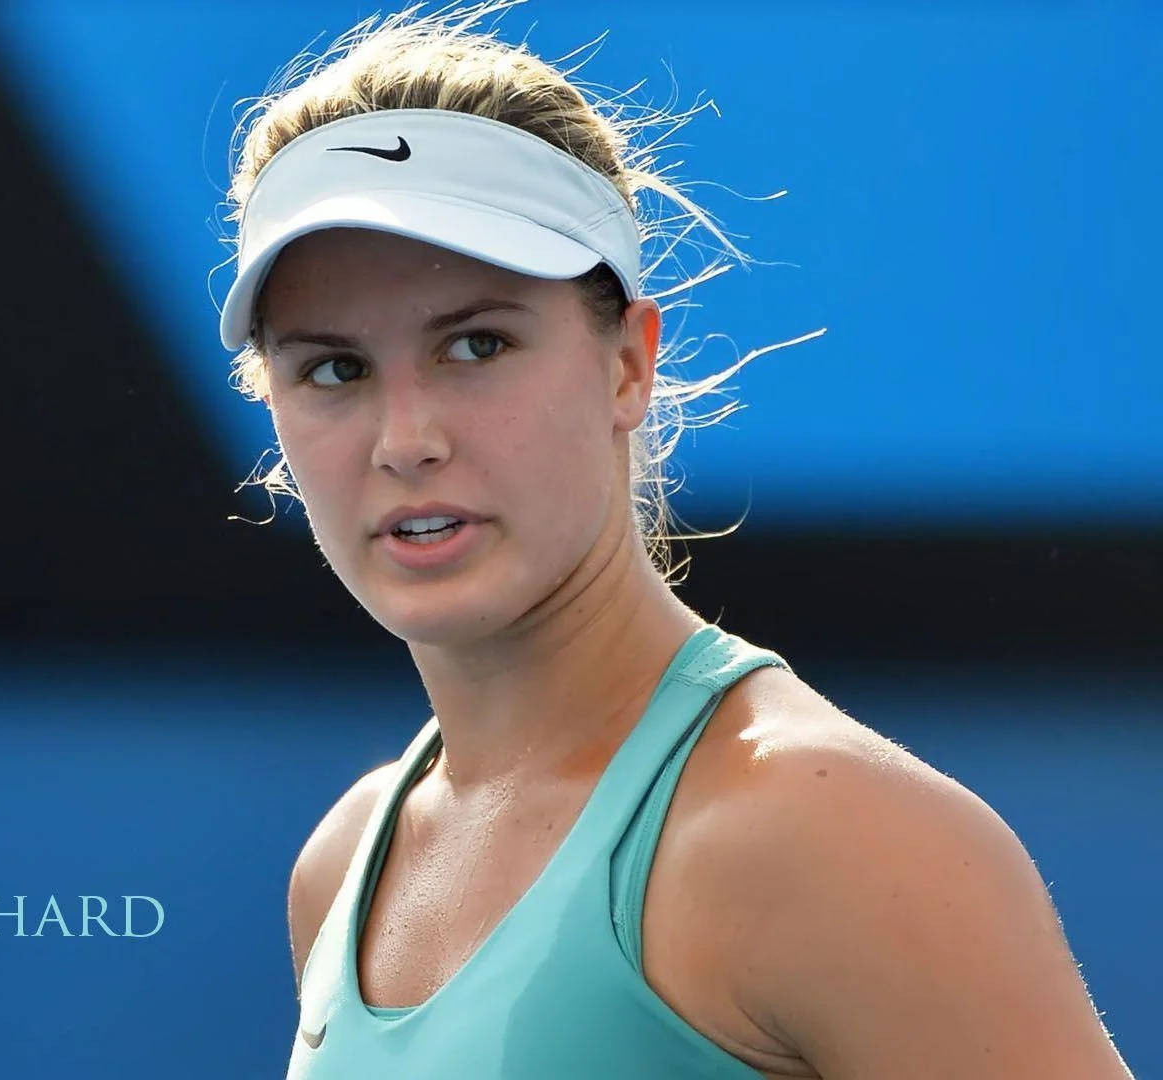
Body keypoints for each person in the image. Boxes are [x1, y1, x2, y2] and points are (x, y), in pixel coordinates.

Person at [214, 4, 1135, 1077]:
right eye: (334, 368)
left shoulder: (828, 837)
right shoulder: (341, 871)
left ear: (627, 366)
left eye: (476, 344)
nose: (406, 440)